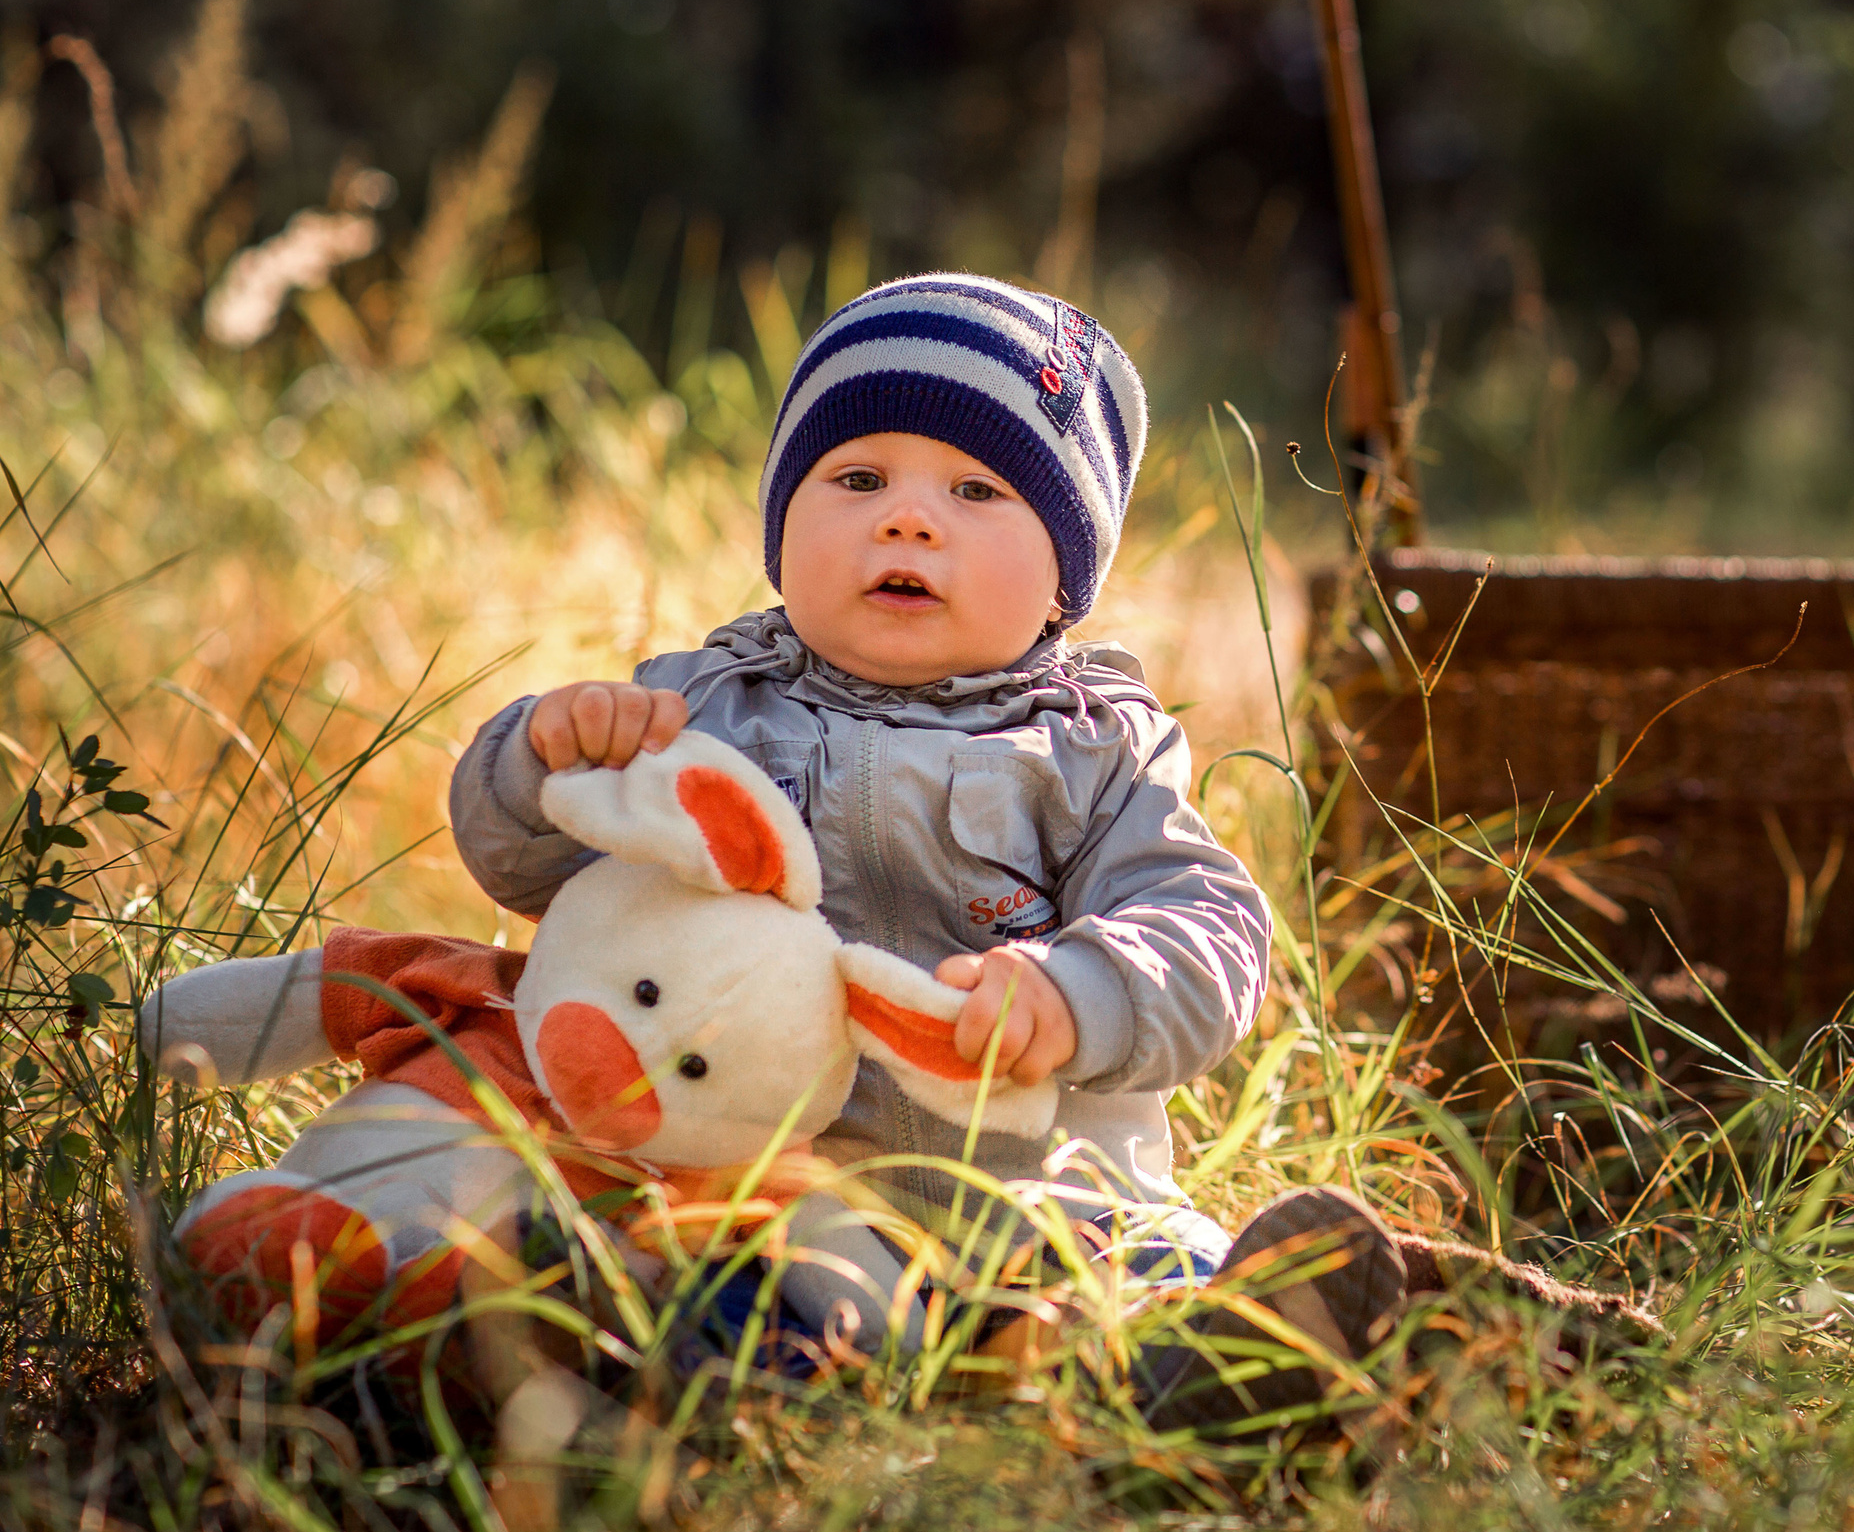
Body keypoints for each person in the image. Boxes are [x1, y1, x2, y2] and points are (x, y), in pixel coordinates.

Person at [446, 273, 1403, 1423]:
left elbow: (1207, 925)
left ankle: (1219, 1369)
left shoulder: (1094, 748)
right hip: (774, 1191)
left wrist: (1082, 989)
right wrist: (539, 760)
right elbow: (521, 866)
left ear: (1064, 577)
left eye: (976, 489)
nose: (907, 519)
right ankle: (699, 1386)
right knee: (672, 1279)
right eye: (856, 480)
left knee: (1142, 1282)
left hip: (1046, 1200)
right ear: (780, 530)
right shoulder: (699, 708)